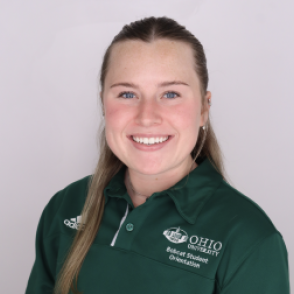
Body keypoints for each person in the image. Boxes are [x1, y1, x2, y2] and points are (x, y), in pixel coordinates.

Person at [25, 16, 290, 294]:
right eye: (127, 94)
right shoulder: (67, 206)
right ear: (103, 104)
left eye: (170, 94)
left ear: (203, 108)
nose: (147, 116)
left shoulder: (250, 239)